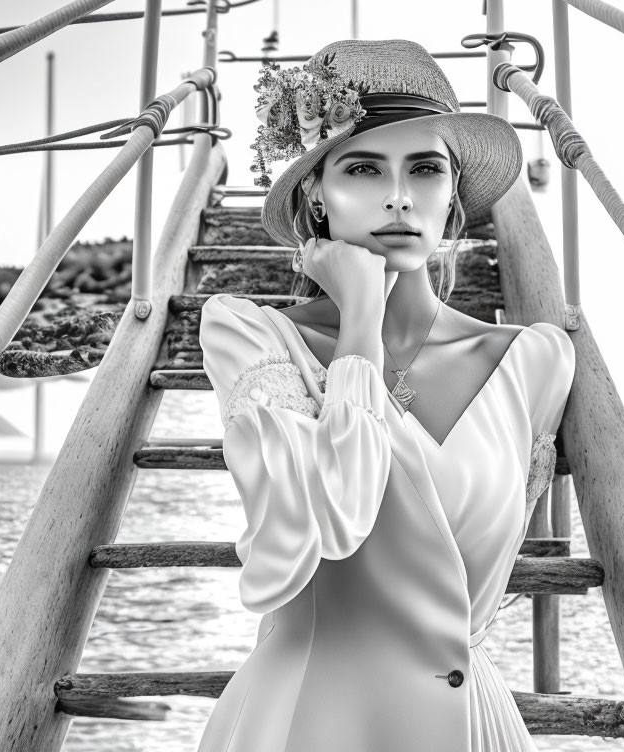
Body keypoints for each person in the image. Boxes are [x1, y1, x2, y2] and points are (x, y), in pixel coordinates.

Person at [196, 38, 575, 752]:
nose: (398, 195)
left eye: (425, 169)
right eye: (363, 167)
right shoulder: (250, 336)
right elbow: (334, 516)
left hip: (471, 727)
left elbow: (483, 588)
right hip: (305, 722)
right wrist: (361, 319)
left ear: (452, 195)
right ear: (315, 193)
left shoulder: (535, 361)